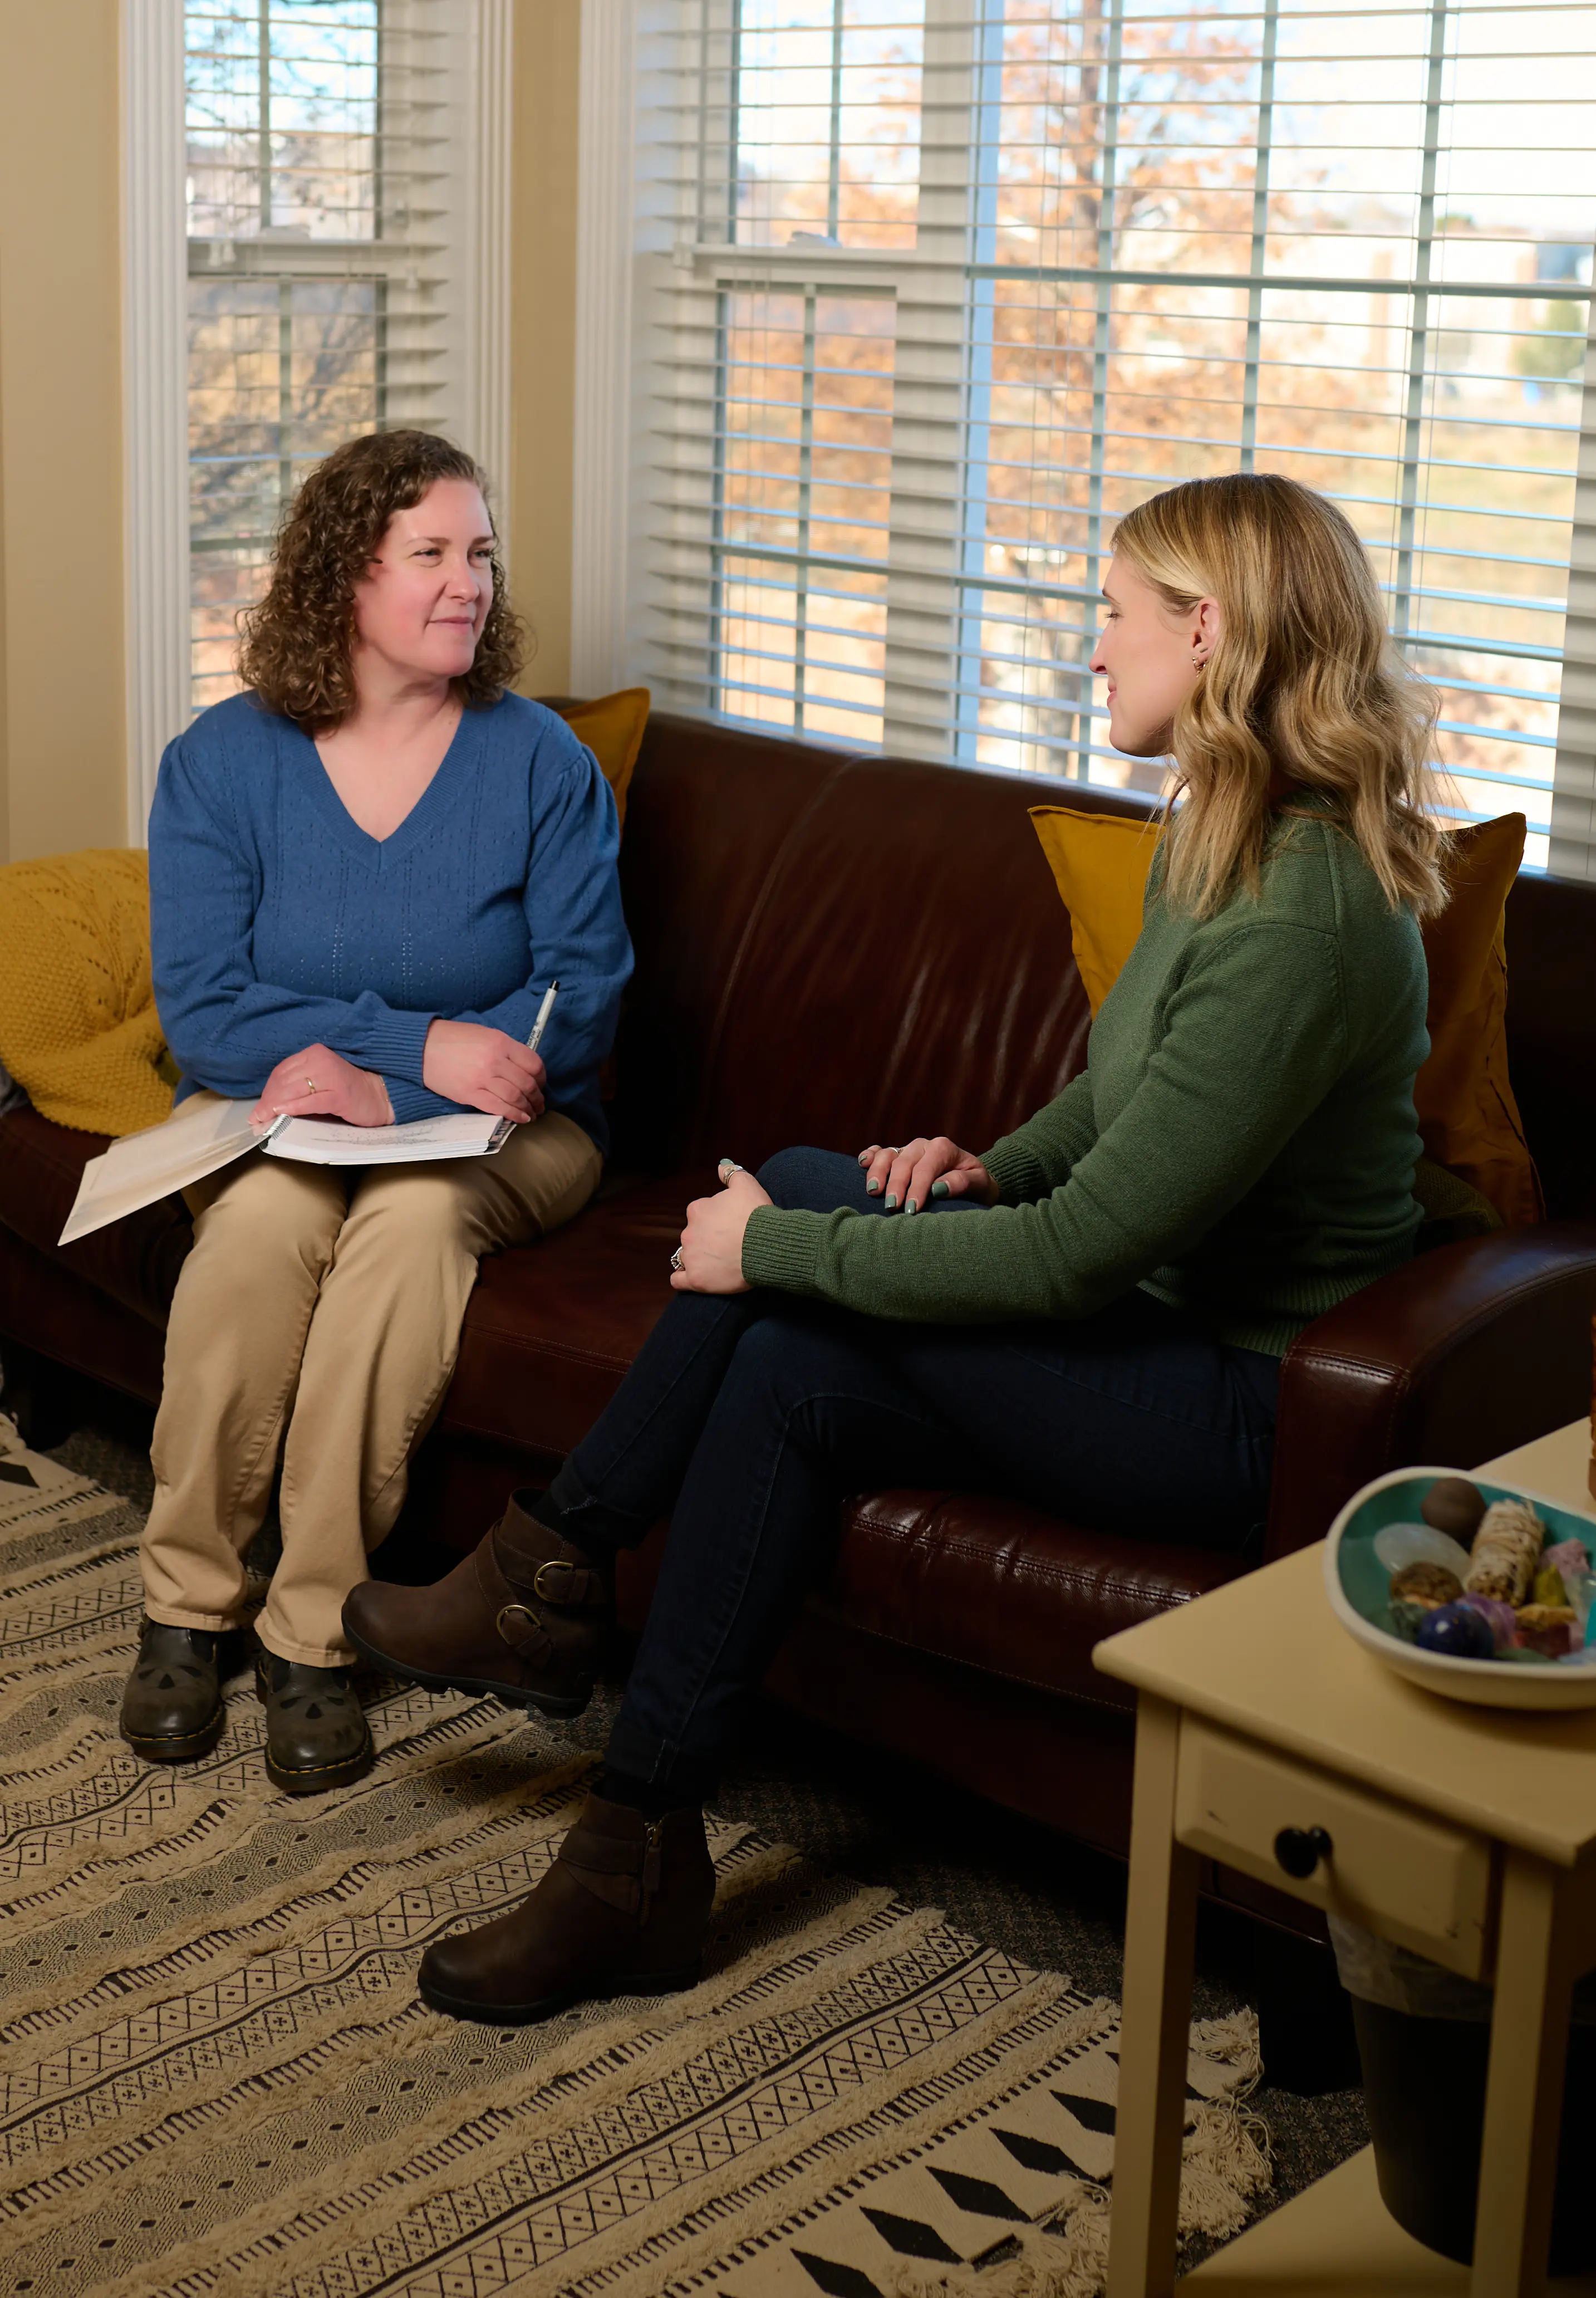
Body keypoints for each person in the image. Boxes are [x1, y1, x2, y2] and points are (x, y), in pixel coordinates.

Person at [345, 470, 1445, 2020]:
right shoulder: (1230, 829)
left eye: (1116, 615)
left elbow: (1078, 1259)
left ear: (1209, 632)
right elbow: (1118, 1095)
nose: (1093, 649)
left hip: (1246, 1396)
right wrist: (984, 1162)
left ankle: (594, 1729)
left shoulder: (1301, 913)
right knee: (801, 1175)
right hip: (1163, 1316)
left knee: (793, 1335)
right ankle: (568, 1622)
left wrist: (781, 1253)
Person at [121, 429, 631, 1795]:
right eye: (431, 555)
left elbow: (574, 1009)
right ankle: (186, 1601)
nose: (468, 583)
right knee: (259, 1236)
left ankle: (313, 1630)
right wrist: (401, 1044)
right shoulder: (220, 763)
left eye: (480, 554)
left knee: (406, 1236)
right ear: (345, 576)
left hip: (511, 1143)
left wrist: (386, 1080)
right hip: (271, 1124)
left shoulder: (540, 764)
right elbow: (207, 1013)